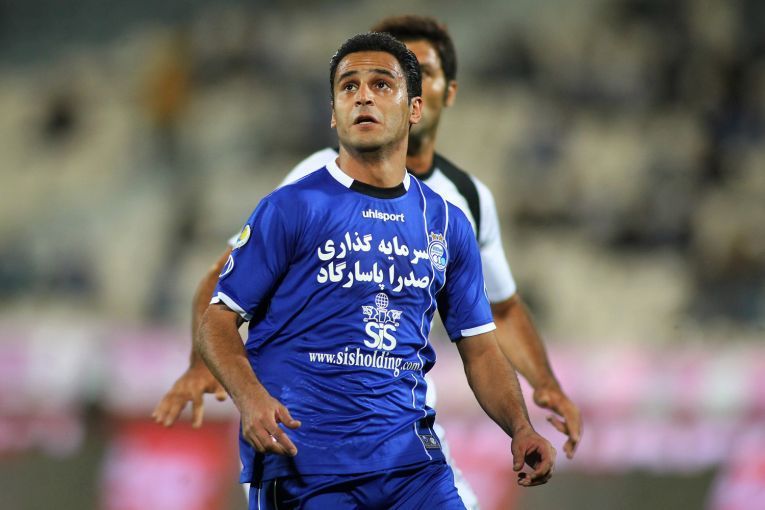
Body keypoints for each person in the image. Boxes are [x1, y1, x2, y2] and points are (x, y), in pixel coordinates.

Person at [154, 15, 581, 458]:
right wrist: (201, 365)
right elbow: (226, 278)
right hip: (305, 427)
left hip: (404, 420)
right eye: (368, 82)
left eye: (416, 73)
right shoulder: (314, 180)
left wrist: (546, 384)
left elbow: (501, 310)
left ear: (437, 94)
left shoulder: (466, 200)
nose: (372, 95)